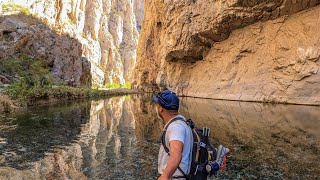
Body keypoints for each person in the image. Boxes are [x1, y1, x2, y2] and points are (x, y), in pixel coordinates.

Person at [153, 90, 193, 180]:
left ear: (161, 108)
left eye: (157, 104)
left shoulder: (176, 127)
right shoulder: (181, 122)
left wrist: (165, 175)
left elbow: (176, 153)